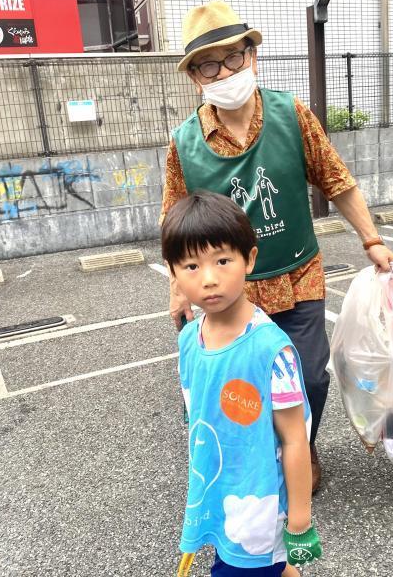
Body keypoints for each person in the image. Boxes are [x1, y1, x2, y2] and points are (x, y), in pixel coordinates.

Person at [162, 0, 393, 493]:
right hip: (230, 288)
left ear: (252, 56)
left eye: (233, 56)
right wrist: (178, 287)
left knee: (309, 376)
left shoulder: (292, 114)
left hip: (297, 273)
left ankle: (301, 447)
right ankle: (266, 458)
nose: (225, 71)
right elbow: (173, 222)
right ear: (195, 78)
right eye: (209, 65)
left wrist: (371, 239)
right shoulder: (184, 143)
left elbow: (336, 179)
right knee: (242, 383)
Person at [162, 191, 322, 576]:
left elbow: (295, 439)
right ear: (173, 273)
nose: (209, 279)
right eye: (191, 266)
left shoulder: (271, 351)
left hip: (258, 507)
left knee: (242, 568)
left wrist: (299, 519)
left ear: (249, 259)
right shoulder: (190, 339)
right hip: (215, 489)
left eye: (222, 261)